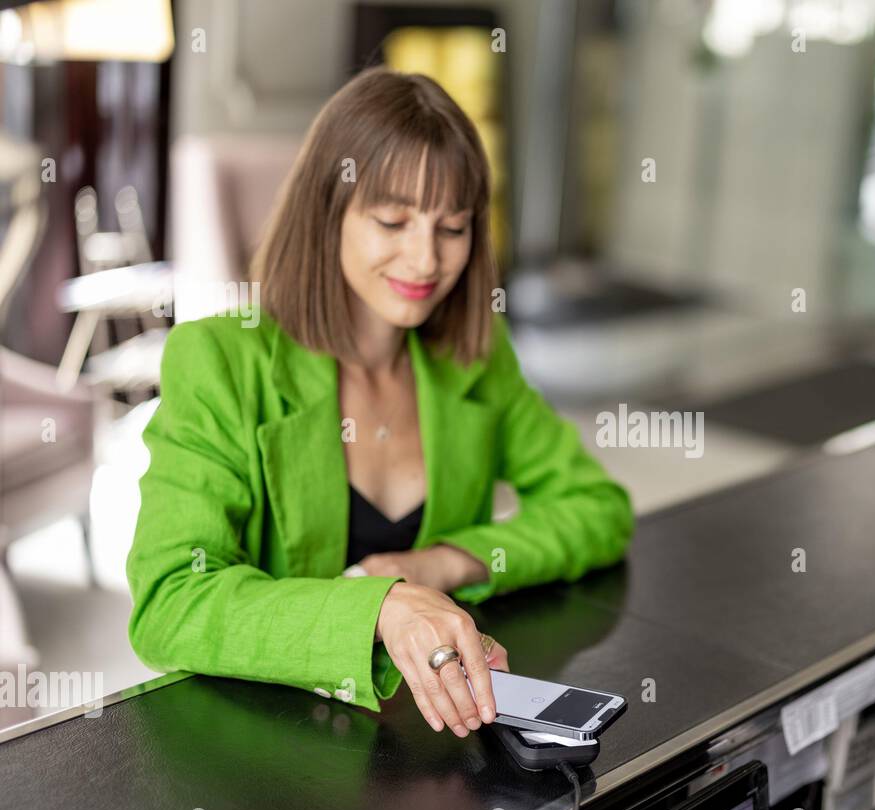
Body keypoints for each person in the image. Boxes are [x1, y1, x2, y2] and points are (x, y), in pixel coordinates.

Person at [126, 68, 634, 738]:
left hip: (429, 742)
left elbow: (598, 509)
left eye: (451, 228)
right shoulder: (220, 360)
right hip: (269, 752)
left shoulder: (474, 357)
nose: (425, 260)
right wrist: (381, 607)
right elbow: (169, 601)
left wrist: (443, 563)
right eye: (393, 220)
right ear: (327, 212)